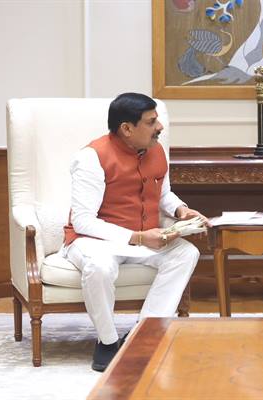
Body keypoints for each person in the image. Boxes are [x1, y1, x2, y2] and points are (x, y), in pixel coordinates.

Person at [61, 93, 208, 371]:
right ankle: (107, 342)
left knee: (186, 254)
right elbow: (83, 222)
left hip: (142, 239)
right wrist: (139, 238)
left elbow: (164, 195)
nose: (160, 127)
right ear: (127, 129)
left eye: (158, 120)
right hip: (95, 241)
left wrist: (182, 211)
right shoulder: (91, 158)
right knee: (99, 268)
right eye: (151, 122)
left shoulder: (156, 150)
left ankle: (144, 332)